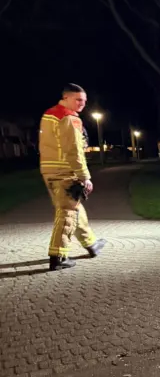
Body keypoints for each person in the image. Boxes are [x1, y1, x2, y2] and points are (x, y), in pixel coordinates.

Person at [39, 83, 106, 271]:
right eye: (78, 100)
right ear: (66, 97)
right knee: (67, 213)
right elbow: (74, 150)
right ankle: (58, 256)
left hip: (49, 170)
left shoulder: (49, 114)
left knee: (73, 208)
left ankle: (91, 243)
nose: (82, 104)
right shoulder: (69, 118)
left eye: (84, 101)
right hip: (66, 171)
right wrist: (84, 176)